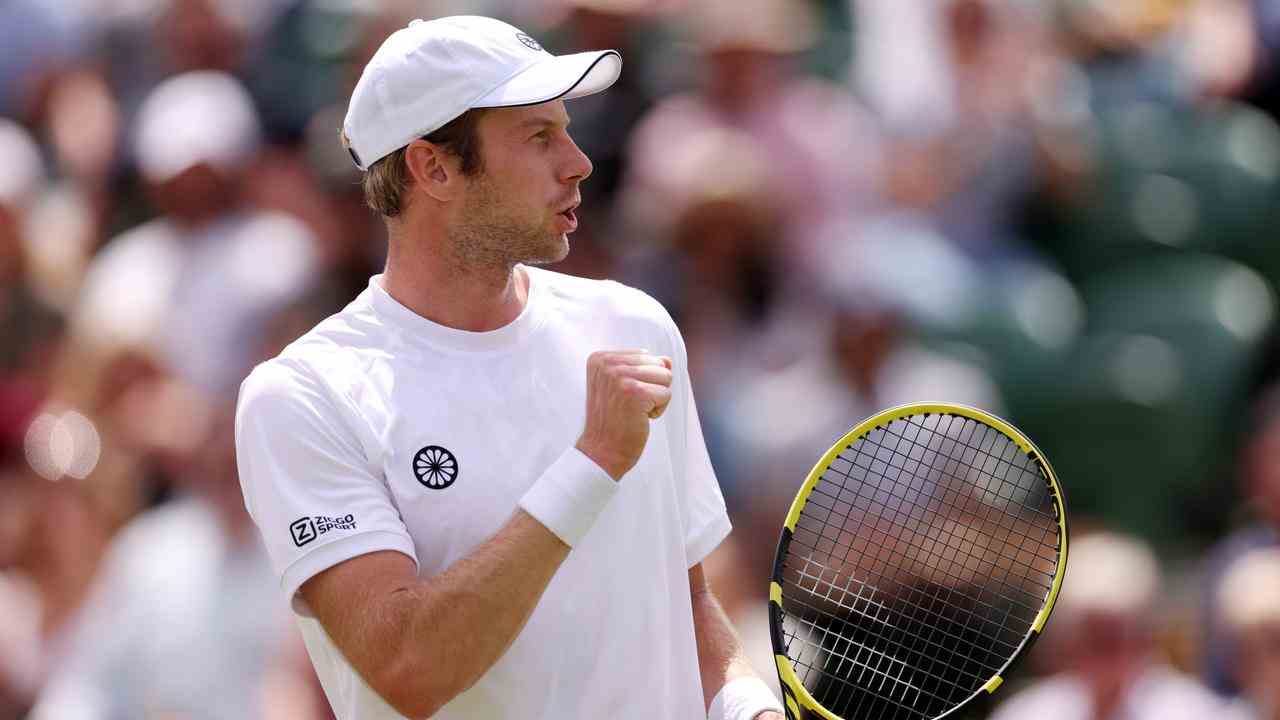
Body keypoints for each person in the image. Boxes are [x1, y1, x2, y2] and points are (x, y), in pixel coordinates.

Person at [234, 15, 784, 720]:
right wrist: (593, 463)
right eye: (538, 136)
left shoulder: (634, 326)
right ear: (433, 167)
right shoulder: (303, 397)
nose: (578, 162)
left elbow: (685, 602)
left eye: (568, 128)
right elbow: (409, 668)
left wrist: (746, 706)